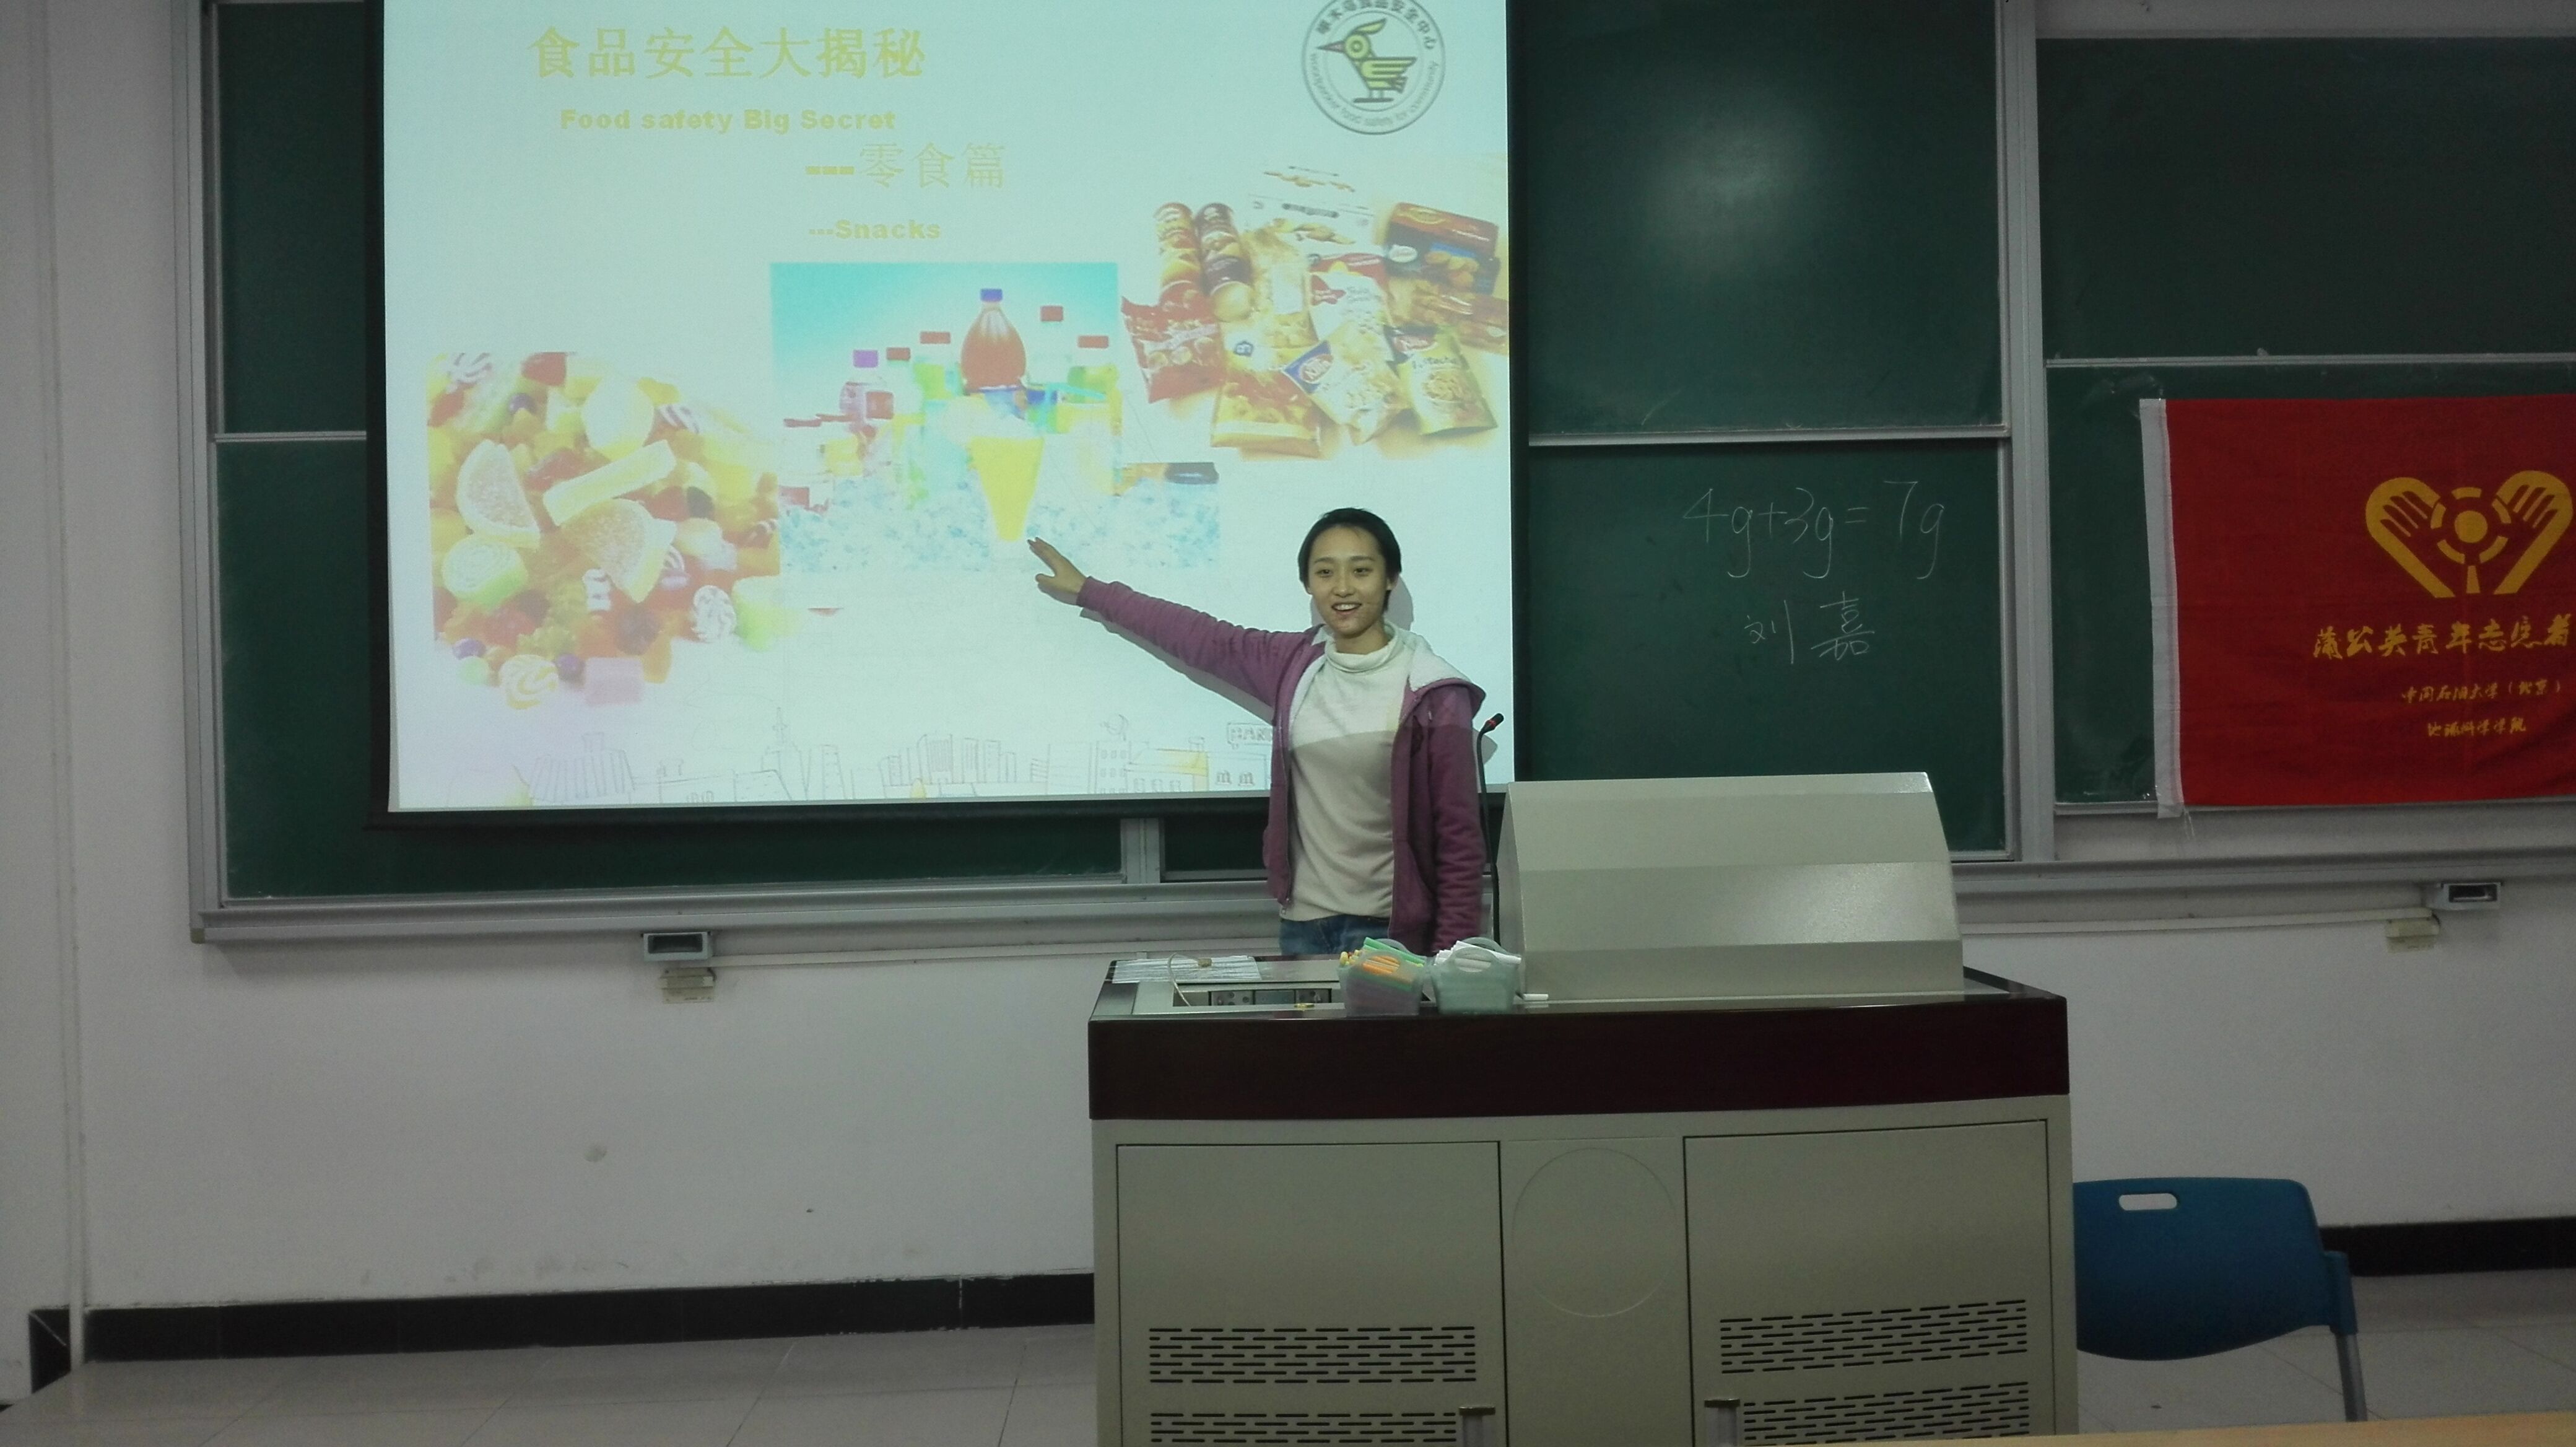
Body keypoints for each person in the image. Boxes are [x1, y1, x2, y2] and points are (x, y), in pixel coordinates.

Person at [1030, 509, 1487, 957]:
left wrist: (1452, 959)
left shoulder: (1433, 690)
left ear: (1390, 579)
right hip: (1304, 928)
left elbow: (1459, 841)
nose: (1343, 588)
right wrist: (1090, 591)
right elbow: (1203, 637)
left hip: (1390, 935)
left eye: (1361, 571)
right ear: (1308, 584)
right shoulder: (1294, 664)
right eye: (1325, 572)